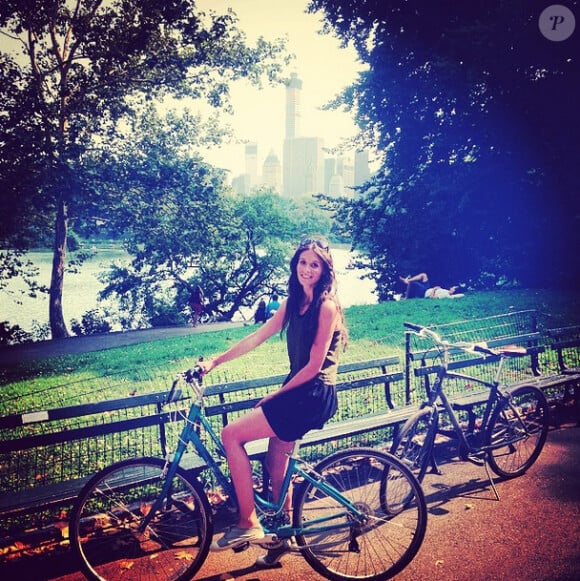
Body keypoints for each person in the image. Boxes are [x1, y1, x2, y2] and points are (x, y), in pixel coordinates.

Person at [198, 236, 347, 567]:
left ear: (324, 270)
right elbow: (257, 336)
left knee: (231, 435)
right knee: (276, 468)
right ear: (295, 265)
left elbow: (313, 366)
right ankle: (283, 538)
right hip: (297, 391)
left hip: (311, 393)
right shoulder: (293, 303)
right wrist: (215, 362)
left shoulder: (327, 307)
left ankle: (247, 523)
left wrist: (275, 395)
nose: (306, 269)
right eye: (302, 262)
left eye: (314, 264)